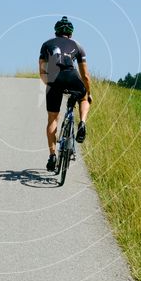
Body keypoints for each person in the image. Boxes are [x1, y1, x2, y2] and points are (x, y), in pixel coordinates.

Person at [38, 16, 92, 172]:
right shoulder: (78, 46)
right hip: (71, 76)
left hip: (54, 78)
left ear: (56, 32)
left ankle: (52, 156)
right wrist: (88, 92)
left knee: (52, 118)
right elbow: (85, 76)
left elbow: (42, 71)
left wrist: (50, 84)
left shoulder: (46, 44)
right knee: (83, 97)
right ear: (71, 33)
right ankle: (82, 122)